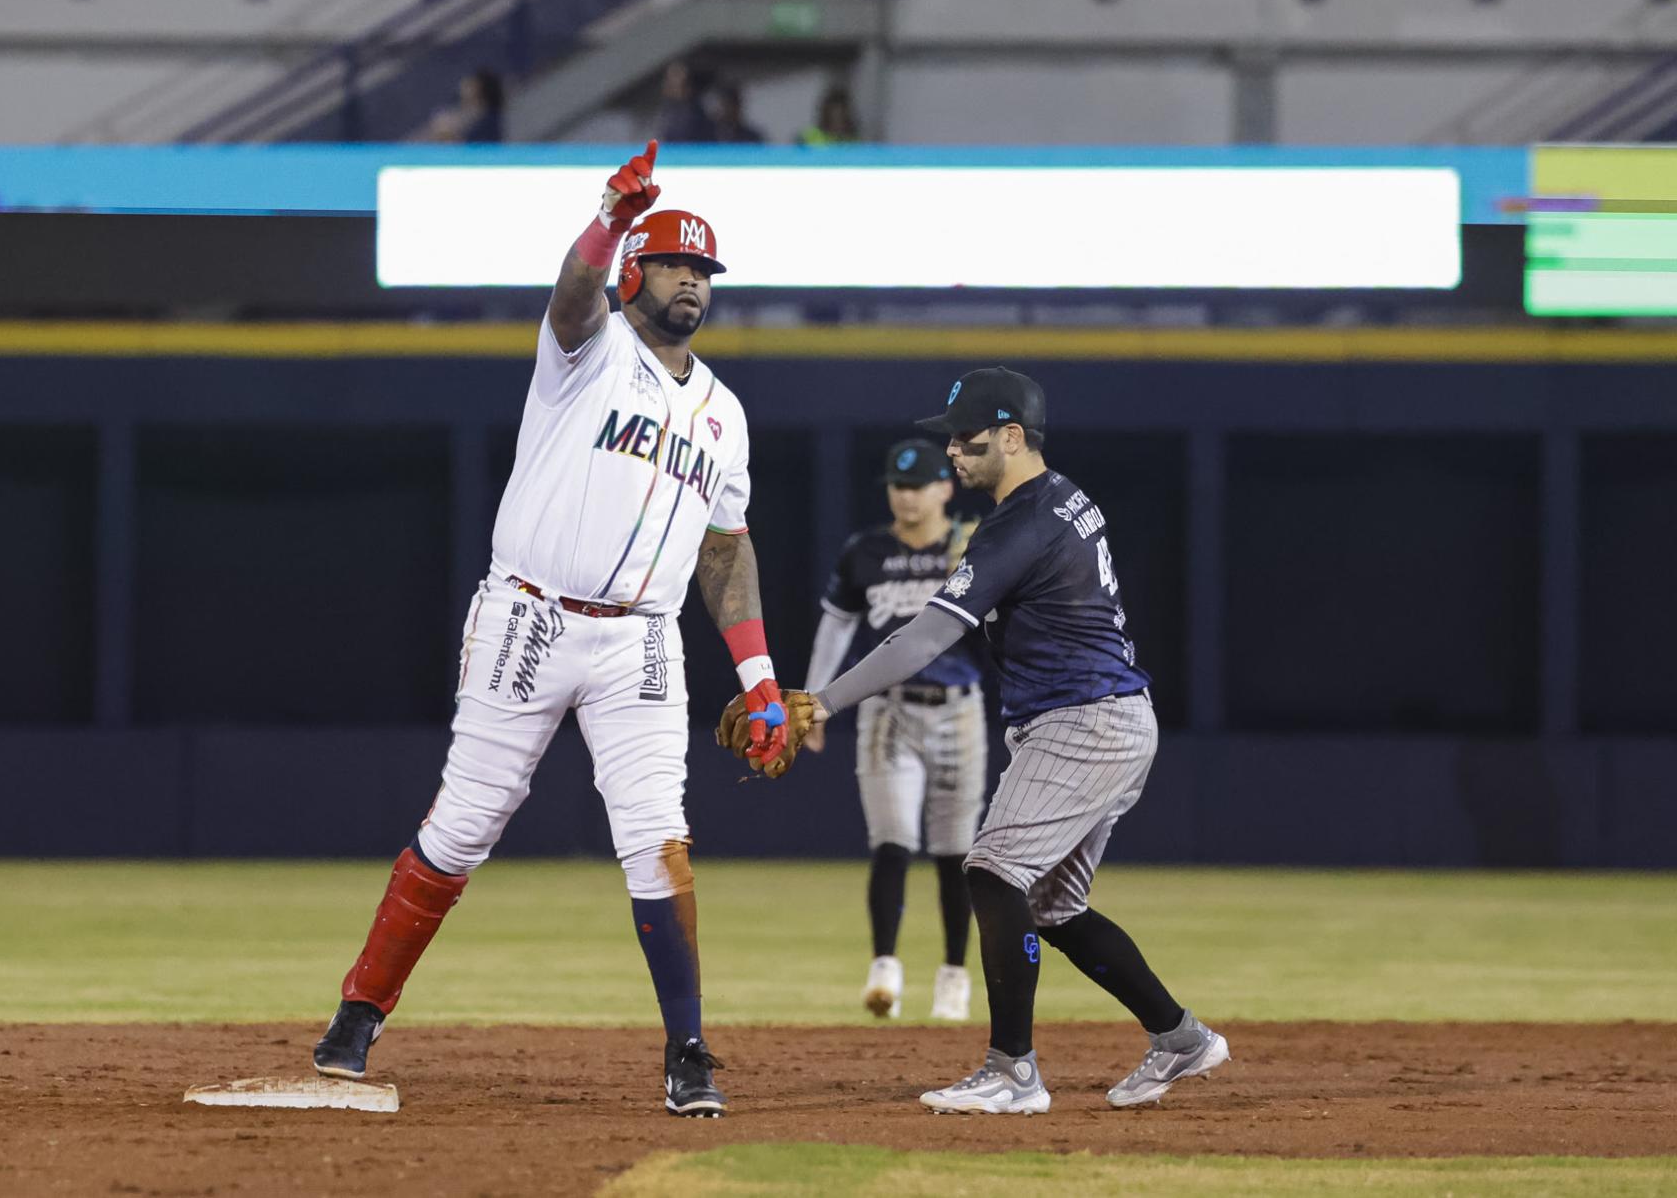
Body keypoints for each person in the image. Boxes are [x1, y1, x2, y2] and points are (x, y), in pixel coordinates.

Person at [312, 140, 788, 1119]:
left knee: (658, 836)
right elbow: (572, 295)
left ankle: (688, 1049)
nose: (690, 282)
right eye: (672, 262)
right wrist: (610, 214)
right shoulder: (589, 346)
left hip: (642, 640)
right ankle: (360, 1009)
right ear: (633, 271)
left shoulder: (726, 416)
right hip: (530, 611)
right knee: (464, 822)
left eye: (702, 269)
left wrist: (761, 677)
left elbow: (724, 553)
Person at [805, 367, 1229, 1115]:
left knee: (993, 871)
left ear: (1011, 436)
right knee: (1053, 905)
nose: (954, 455)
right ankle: (1180, 1036)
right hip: (1108, 714)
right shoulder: (1064, 495)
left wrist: (823, 700)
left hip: (1085, 719)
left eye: (966, 441)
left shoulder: (1021, 520)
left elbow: (926, 637)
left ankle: (1012, 1071)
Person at [803, 440, 984, 1023]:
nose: (906, 495)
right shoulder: (867, 552)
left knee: (957, 850)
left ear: (945, 489)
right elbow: (835, 629)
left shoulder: (971, 544)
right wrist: (812, 702)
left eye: (918, 484)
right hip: (889, 709)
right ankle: (885, 967)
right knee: (892, 840)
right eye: (897, 485)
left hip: (959, 705)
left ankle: (955, 975)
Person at [426, 68, 505, 143]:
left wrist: (451, 136)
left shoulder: (488, 121)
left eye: (470, 84)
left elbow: (477, 146)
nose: (463, 85)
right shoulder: (455, 113)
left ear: (479, 88)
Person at [651, 60, 716, 143]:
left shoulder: (698, 114)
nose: (673, 88)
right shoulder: (663, 111)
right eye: (670, 83)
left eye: (679, 84)